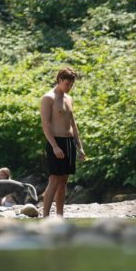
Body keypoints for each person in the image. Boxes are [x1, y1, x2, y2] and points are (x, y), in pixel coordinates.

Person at [40, 66, 87, 217]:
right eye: (67, 84)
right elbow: (45, 124)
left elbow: (73, 124)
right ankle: (45, 217)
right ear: (59, 80)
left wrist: (80, 147)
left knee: (63, 182)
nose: (69, 87)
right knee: (54, 180)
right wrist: (54, 146)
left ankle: (60, 216)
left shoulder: (69, 98)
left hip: (69, 143)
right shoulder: (48, 98)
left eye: (72, 85)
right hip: (56, 142)